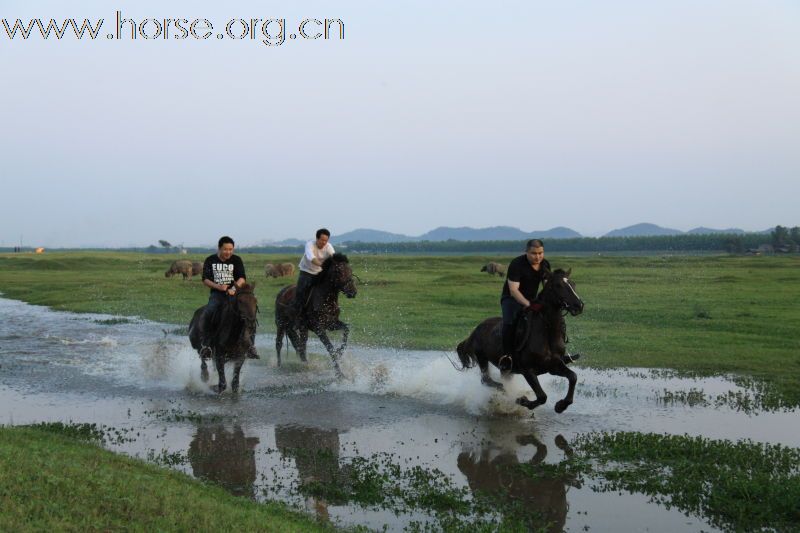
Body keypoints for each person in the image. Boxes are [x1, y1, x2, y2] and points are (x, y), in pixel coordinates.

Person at [500, 239, 578, 371]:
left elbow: (548, 287)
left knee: (555, 318)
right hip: (511, 299)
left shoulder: (545, 264)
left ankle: (558, 354)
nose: (538, 257)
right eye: (534, 253)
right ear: (526, 252)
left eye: (540, 253)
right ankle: (507, 357)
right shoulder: (517, 264)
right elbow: (513, 290)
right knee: (510, 322)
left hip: (533, 299)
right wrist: (529, 304)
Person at [200, 236, 258, 358]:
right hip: (217, 294)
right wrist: (218, 286)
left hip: (235, 294)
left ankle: (251, 346)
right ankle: (206, 345)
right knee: (209, 311)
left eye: (231, 249)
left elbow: (242, 277)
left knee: (250, 314)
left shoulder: (236, 260)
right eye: (225, 249)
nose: (228, 252)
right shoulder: (210, 260)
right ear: (219, 248)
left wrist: (233, 289)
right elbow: (205, 279)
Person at [292, 228, 335, 319]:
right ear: (317, 238)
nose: (324, 242)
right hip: (306, 271)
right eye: (322, 240)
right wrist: (323, 265)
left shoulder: (329, 247)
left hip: (319, 272)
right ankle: (297, 313)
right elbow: (311, 258)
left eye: (326, 240)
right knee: (301, 291)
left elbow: (334, 257)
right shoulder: (309, 245)